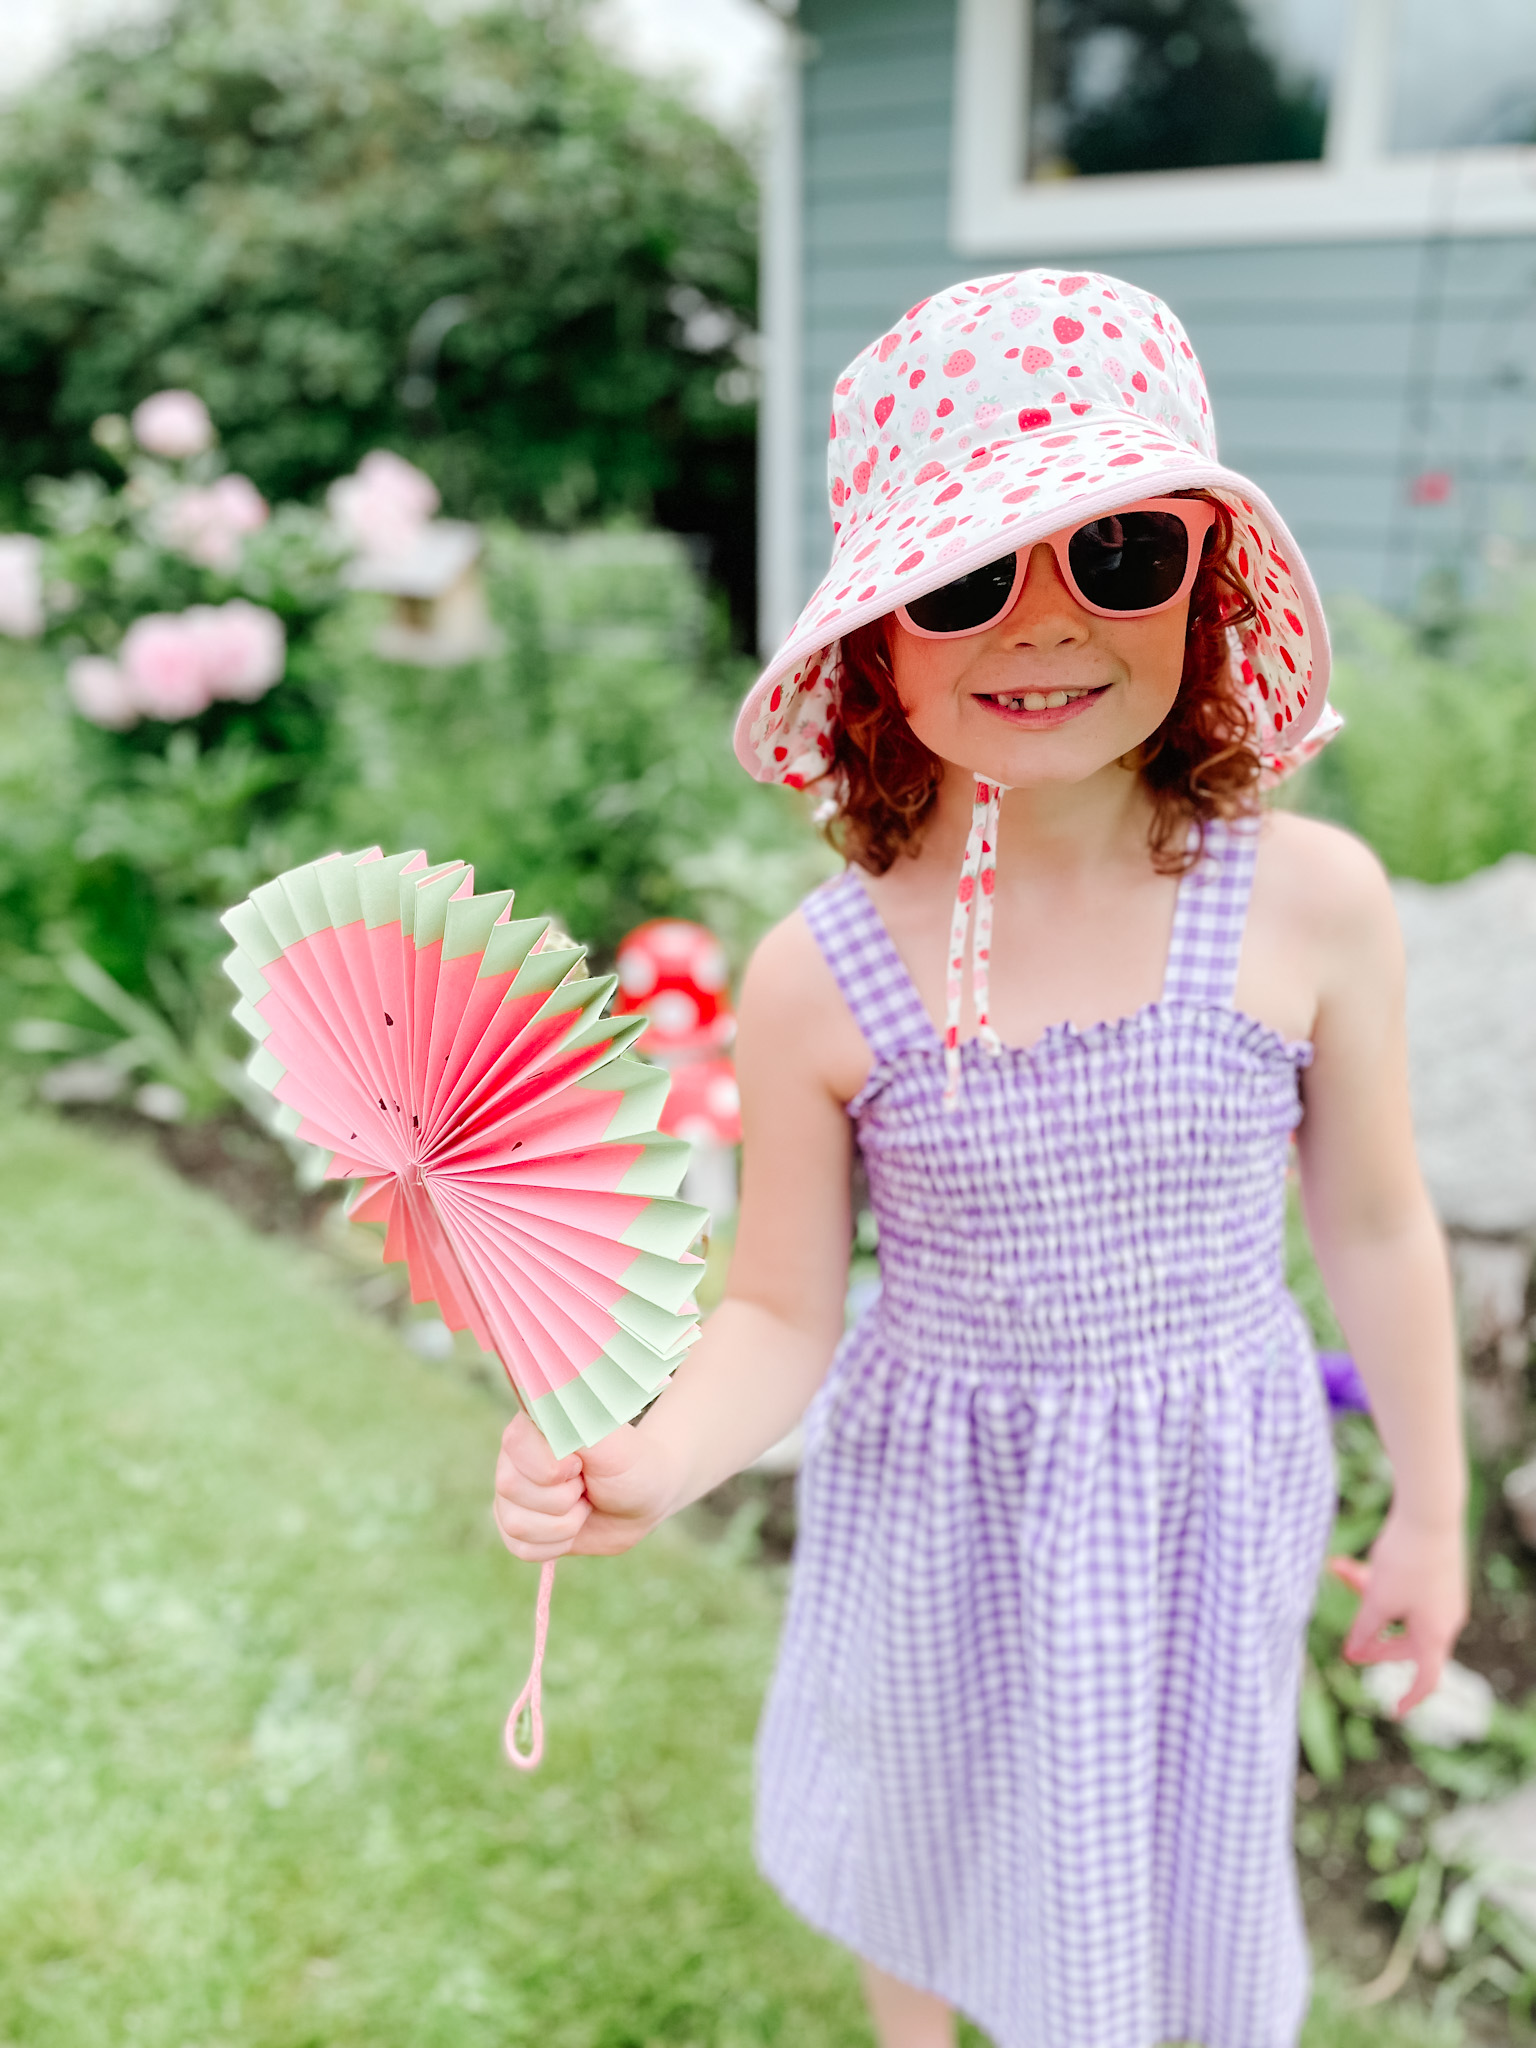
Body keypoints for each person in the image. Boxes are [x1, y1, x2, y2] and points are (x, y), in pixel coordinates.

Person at [493, 270, 1467, 2048]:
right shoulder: (822, 973)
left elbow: (1381, 1223)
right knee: (925, 1823)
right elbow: (784, 1308)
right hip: (937, 1487)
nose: (1042, 630)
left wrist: (1434, 1498)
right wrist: (651, 1459)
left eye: (1113, 558)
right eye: (962, 581)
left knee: (1173, 1841)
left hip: (1203, 1480)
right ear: (877, 637)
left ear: (1208, 576)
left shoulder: (1311, 903)